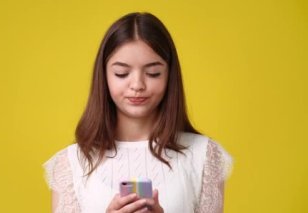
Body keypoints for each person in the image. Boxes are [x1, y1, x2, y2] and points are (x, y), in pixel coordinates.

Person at [43, 12, 232, 213]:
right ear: (104, 76)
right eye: (121, 73)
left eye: (153, 73)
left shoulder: (202, 154)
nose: (137, 85)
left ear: (170, 75)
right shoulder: (73, 163)